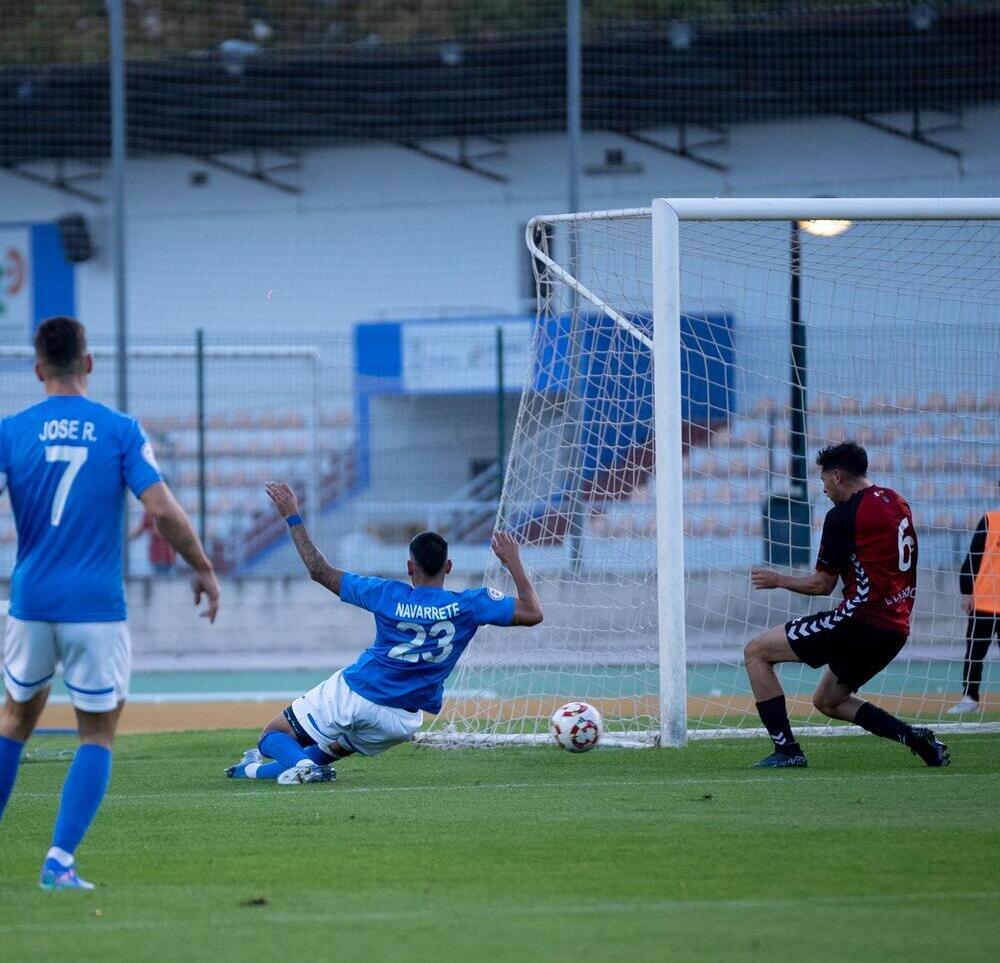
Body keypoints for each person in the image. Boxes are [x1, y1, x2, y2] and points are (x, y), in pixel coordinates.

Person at [0, 316, 220, 890]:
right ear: (89, 363)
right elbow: (164, 511)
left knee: (14, 720)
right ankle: (59, 860)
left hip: (31, 600)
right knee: (95, 732)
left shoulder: (11, 430)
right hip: (96, 606)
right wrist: (200, 565)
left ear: (37, 368)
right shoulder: (118, 429)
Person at [225, 481, 542, 784]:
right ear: (448, 567)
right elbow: (532, 613)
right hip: (401, 721)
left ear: (409, 567)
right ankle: (250, 771)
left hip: (359, 693)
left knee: (273, 735)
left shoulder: (386, 594)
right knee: (326, 751)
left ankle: (303, 767)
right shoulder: (471, 605)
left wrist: (292, 514)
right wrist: (513, 563)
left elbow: (318, 570)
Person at [743, 441, 949, 769]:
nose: (823, 489)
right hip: (895, 628)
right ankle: (915, 738)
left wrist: (778, 579)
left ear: (837, 476)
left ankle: (787, 751)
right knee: (828, 701)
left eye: (823, 481)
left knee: (756, 652)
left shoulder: (844, 516)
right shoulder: (896, 502)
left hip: (859, 621)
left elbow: (821, 584)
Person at [948, 500, 1000, 714]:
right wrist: (966, 591)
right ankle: (970, 698)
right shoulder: (990, 520)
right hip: (985, 601)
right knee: (974, 653)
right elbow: (973, 557)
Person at [129, 505, 177, 574]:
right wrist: (125, 538)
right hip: (156, 557)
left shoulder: (169, 512)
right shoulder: (149, 514)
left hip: (168, 557)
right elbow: (140, 531)